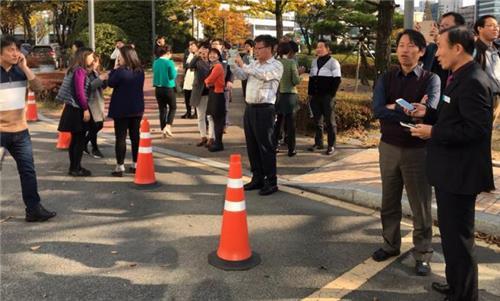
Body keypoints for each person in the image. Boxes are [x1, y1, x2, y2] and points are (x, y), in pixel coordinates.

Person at [408, 26, 493, 301]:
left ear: (458, 48)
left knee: (459, 240)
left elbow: (476, 129)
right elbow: (452, 114)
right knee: (450, 237)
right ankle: (455, 284)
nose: (437, 52)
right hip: (449, 171)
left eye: (440, 46)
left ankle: (465, 295)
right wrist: (429, 113)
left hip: (461, 174)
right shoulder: (458, 76)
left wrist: (433, 131)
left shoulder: (474, 81)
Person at [371, 29, 440, 276]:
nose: (404, 49)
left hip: (418, 151)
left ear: (421, 51)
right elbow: (377, 110)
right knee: (388, 201)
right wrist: (405, 111)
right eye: (401, 45)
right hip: (388, 146)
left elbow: (429, 110)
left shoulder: (431, 79)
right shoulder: (387, 78)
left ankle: (422, 254)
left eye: (411, 45)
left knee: (420, 205)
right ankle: (390, 244)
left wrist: (395, 107)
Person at [0, 35, 56, 222]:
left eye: (16, 49)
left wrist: (24, 67)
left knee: (28, 170)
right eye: (10, 50)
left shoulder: (20, 71)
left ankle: (33, 209)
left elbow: (39, 88)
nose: (15, 53)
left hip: (20, 131)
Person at [231, 35, 283, 196]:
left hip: (265, 109)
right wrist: (233, 64)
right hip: (250, 108)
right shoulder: (254, 64)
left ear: (270, 49)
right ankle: (257, 177)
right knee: (252, 145)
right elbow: (242, 75)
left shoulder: (275, 65)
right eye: (256, 48)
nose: (256, 51)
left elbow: (263, 75)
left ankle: (271, 181)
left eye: (259, 48)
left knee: (265, 146)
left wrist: (244, 66)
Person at [107, 46, 145, 177]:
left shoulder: (120, 72)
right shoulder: (140, 71)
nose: (119, 58)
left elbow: (110, 83)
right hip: (137, 108)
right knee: (135, 137)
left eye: (120, 56)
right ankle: (136, 163)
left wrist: (114, 68)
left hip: (121, 109)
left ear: (126, 57)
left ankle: (120, 166)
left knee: (121, 137)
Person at [57, 47, 94, 177]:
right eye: (91, 56)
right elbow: (79, 92)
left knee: (75, 139)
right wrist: (85, 109)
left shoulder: (74, 70)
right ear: (84, 57)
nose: (93, 58)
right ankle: (76, 168)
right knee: (79, 140)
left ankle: (74, 167)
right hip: (77, 109)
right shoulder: (79, 71)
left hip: (71, 108)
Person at [307, 40, 342, 156]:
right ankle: (319, 143)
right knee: (318, 121)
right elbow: (311, 79)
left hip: (327, 97)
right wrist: (310, 94)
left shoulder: (333, 62)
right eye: (317, 47)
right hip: (315, 97)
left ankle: (331, 145)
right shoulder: (314, 62)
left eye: (321, 47)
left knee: (330, 122)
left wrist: (331, 95)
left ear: (327, 49)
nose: (318, 49)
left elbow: (337, 80)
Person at [420, 12, 465, 98]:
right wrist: (416, 37)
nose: (441, 29)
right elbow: (416, 58)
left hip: (449, 96)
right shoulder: (431, 47)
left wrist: (440, 41)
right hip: (430, 95)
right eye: (441, 26)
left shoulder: (464, 49)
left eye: (446, 26)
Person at [274, 41, 301, 157]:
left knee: (278, 122)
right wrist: (300, 73)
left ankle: (275, 146)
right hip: (290, 95)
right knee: (291, 124)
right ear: (289, 51)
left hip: (279, 95)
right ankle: (291, 149)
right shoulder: (291, 63)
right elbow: (296, 81)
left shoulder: (275, 63)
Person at [189, 42, 214, 147]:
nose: (203, 51)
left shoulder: (213, 61)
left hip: (211, 91)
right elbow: (190, 66)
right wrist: (196, 55)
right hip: (199, 92)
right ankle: (203, 137)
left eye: (205, 49)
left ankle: (211, 137)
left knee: (210, 116)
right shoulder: (197, 61)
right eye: (201, 49)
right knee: (200, 116)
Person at [474, 15, 500, 115]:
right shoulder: (474, 51)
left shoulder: (497, 48)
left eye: (497, 25)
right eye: (491, 25)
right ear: (480, 28)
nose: (496, 28)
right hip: (484, 100)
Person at [84, 53, 108, 159]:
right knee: (95, 126)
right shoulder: (86, 73)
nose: (97, 64)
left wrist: (105, 79)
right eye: (96, 61)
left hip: (97, 102)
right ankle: (93, 147)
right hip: (90, 103)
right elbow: (88, 87)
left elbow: (102, 86)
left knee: (97, 125)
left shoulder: (95, 72)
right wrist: (100, 79)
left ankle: (87, 145)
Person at [152, 44, 177, 138]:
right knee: (173, 107)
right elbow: (172, 76)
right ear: (168, 53)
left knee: (162, 109)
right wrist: (176, 70)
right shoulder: (169, 62)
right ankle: (168, 126)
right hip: (168, 88)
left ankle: (163, 129)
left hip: (158, 89)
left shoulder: (156, 62)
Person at [204, 48, 226, 152]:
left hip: (218, 94)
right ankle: (216, 142)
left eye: (214, 54)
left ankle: (219, 143)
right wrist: (208, 82)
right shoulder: (213, 66)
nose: (212, 56)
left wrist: (207, 82)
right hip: (214, 93)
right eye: (210, 54)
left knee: (218, 120)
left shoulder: (218, 66)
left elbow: (209, 79)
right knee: (214, 118)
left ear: (218, 55)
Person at [182, 40, 198, 119]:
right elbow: (185, 65)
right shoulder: (187, 53)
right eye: (190, 46)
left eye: (193, 46)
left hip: (195, 76)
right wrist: (189, 65)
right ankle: (188, 112)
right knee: (187, 95)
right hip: (188, 75)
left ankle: (196, 112)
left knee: (194, 95)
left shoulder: (198, 55)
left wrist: (190, 65)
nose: (191, 47)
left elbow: (195, 65)